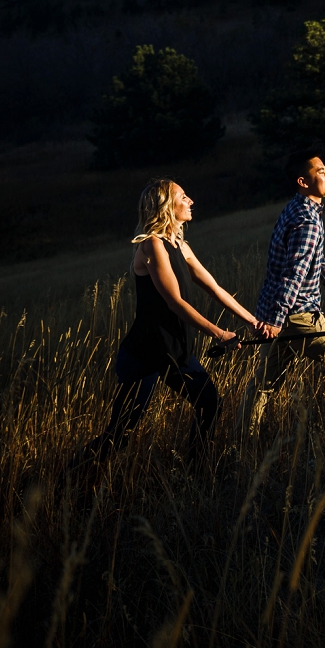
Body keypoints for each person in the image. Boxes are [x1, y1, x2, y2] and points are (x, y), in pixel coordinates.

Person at [83, 178, 264, 464]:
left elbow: (215, 288)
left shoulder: (179, 244)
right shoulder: (151, 245)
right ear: (166, 206)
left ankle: (196, 471)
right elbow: (174, 302)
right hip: (146, 353)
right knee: (120, 433)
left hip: (174, 351)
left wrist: (254, 322)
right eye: (183, 196)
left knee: (208, 402)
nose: (190, 200)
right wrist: (219, 333)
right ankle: (66, 481)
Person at [247, 149, 325, 428]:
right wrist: (277, 320)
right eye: (320, 172)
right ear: (303, 181)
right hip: (297, 315)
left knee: (264, 385)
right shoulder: (308, 220)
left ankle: (241, 440)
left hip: (274, 310)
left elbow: (313, 259)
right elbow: (294, 274)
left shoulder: (296, 209)